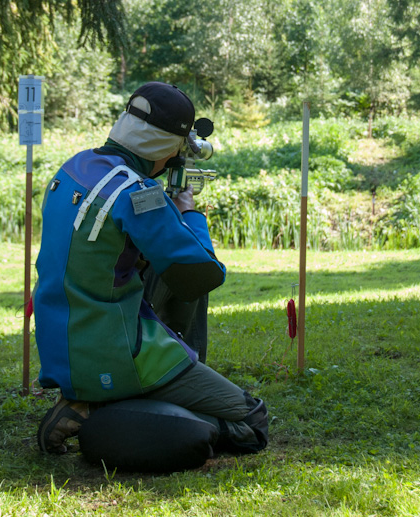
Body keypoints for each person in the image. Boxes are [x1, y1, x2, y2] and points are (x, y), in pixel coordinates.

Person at [32, 82, 268, 456]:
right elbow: (200, 275)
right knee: (252, 422)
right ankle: (95, 409)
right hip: (116, 352)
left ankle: (97, 399)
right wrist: (189, 212)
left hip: (63, 346)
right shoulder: (138, 193)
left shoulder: (75, 166)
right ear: (167, 147)